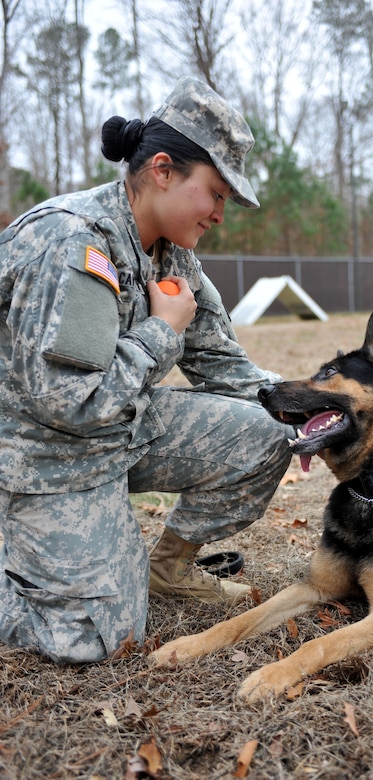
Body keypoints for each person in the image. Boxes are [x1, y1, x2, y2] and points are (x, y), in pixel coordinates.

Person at [0, 76, 293, 664]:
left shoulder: (171, 251)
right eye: (214, 193)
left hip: (116, 431)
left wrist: (317, 413)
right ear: (162, 170)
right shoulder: (74, 244)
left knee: (269, 433)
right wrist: (161, 332)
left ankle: (168, 568)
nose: (219, 214)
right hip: (40, 453)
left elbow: (223, 364)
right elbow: (68, 404)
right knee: (97, 635)